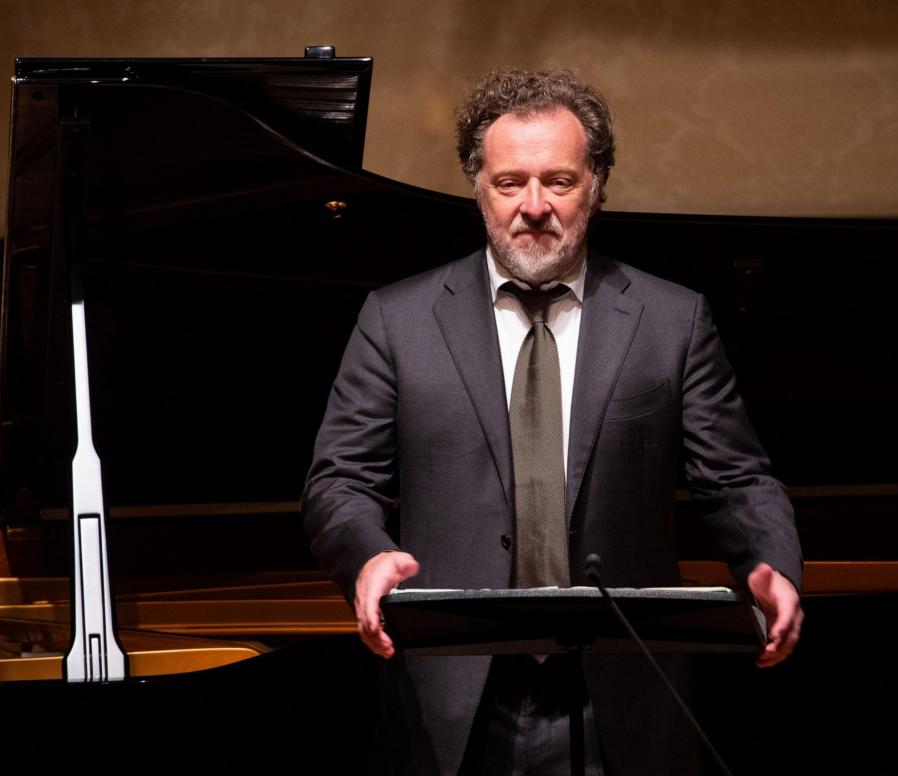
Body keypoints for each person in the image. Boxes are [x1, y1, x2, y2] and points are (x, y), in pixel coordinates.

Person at [304, 67, 803, 776]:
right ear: (477, 187)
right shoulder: (396, 320)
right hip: (451, 692)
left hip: (623, 693)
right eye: (510, 183)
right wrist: (365, 555)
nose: (533, 205)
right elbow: (338, 482)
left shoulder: (672, 320)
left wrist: (773, 562)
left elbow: (738, 479)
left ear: (597, 187)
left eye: (559, 181)